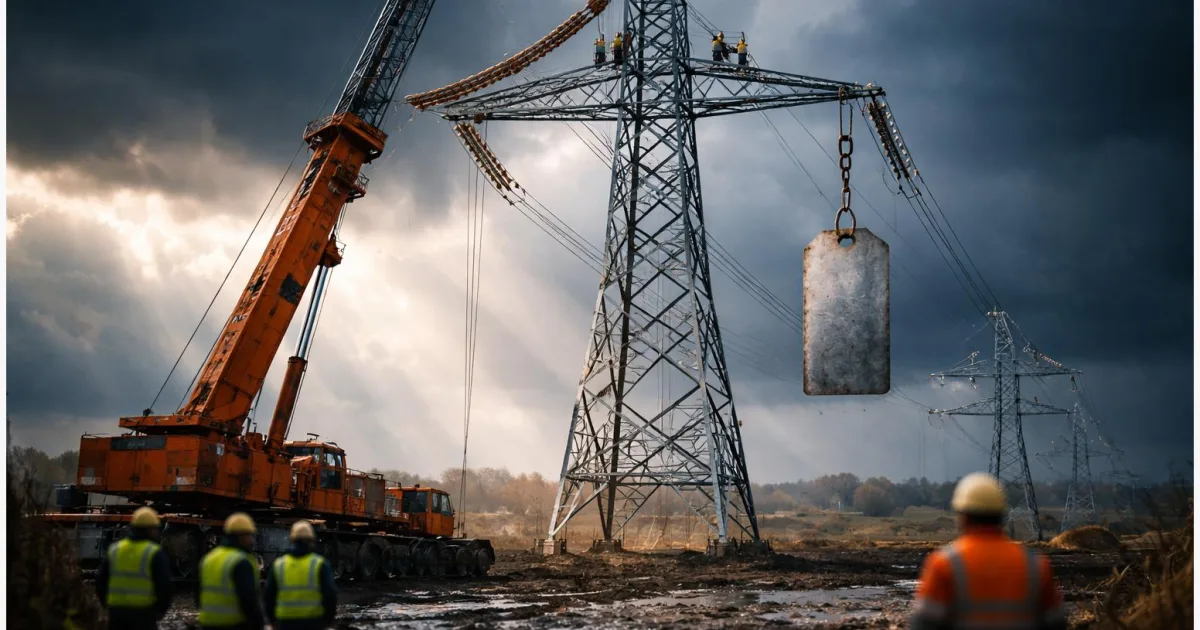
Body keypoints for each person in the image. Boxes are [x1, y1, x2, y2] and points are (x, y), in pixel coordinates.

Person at [910, 473, 1068, 630]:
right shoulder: (1035, 565)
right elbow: (1056, 622)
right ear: (1001, 514)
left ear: (963, 516)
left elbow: (924, 623)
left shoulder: (944, 563)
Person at [95, 506, 173, 630]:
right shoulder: (154, 552)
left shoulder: (115, 549)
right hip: (143, 614)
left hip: (116, 613)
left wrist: (106, 604)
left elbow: (101, 580)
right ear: (150, 530)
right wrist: (161, 610)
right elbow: (164, 585)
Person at [197, 512, 266, 630]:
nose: (251, 540)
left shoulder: (209, 558)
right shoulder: (241, 561)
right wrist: (259, 624)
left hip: (207, 624)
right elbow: (249, 600)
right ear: (241, 536)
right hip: (234, 624)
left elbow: (198, 594)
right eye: (249, 535)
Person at [264, 520, 337, 630]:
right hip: (313, 623)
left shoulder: (279, 565)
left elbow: (269, 596)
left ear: (292, 540)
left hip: (285, 623)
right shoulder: (320, 564)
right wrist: (327, 621)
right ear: (312, 540)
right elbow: (330, 595)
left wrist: (272, 621)